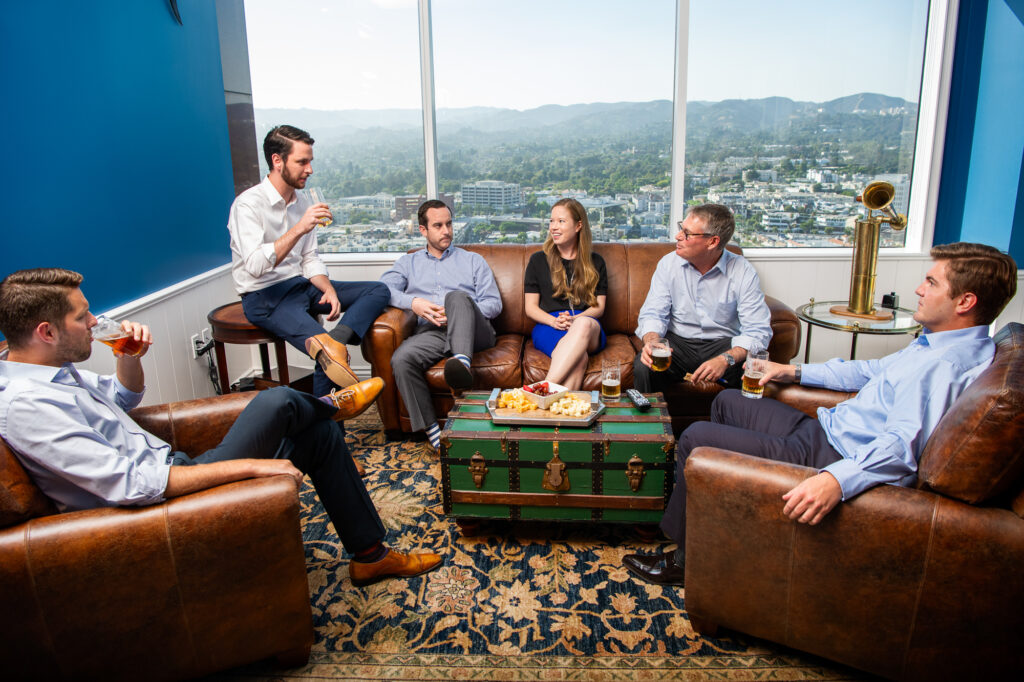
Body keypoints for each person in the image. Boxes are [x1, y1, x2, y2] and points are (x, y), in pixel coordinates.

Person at [0, 268, 442, 587]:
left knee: (318, 435)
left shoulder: (54, 371)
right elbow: (133, 485)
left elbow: (123, 399)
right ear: (47, 332)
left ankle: (370, 556)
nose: (95, 322)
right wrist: (253, 468)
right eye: (83, 317)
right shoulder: (28, 405)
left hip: (168, 472)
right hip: (151, 511)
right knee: (275, 399)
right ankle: (330, 404)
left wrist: (127, 355)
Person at [624, 242, 1018, 586]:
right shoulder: (937, 345)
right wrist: (792, 370)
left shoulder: (945, 365)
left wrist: (835, 480)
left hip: (832, 456)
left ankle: (682, 559)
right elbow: (869, 371)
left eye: (932, 283)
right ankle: (732, 504)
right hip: (824, 429)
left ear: (965, 302)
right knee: (727, 402)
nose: (919, 288)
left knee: (694, 439)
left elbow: (901, 449)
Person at [227, 124, 390, 397]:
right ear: (277, 161)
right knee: (325, 356)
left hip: (300, 285)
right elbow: (255, 266)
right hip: (265, 297)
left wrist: (327, 287)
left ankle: (336, 341)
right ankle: (327, 428)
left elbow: (309, 258)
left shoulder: (302, 201)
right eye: (302, 162)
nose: (310, 169)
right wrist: (300, 227)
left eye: (310, 161)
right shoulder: (247, 205)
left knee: (379, 290)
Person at [380, 200, 502, 451]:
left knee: (456, 297)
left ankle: (461, 365)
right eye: (438, 225)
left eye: (449, 224)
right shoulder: (408, 263)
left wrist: (460, 311)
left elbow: (494, 304)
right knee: (401, 359)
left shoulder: (472, 260)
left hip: (474, 332)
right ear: (423, 230)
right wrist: (414, 303)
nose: (446, 231)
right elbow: (383, 290)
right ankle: (433, 431)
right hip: (432, 333)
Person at [634, 203, 772, 392]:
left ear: (712, 242)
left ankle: (737, 420)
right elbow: (653, 313)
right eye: (681, 228)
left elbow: (757, 330)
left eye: (687, 233)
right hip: (679, 344)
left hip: (724, 344)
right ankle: (649, 422)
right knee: (644, 367)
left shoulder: (742, 271)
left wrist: (726, 359)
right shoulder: (668, 264)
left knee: (755, 370)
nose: (678, 236)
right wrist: (651, 342)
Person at [523, 198, 607, 390]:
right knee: (579, 358)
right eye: (552, 221)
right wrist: (554, 322)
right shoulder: (537, 260)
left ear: (578, 226)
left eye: (561, 221)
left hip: (587, 323)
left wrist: (575, 319)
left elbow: (599, 307)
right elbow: (530, 307)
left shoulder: (596, 261)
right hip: (549, 325)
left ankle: (541, 389)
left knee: (584, 325)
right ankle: (561, 418)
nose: (554, 227)